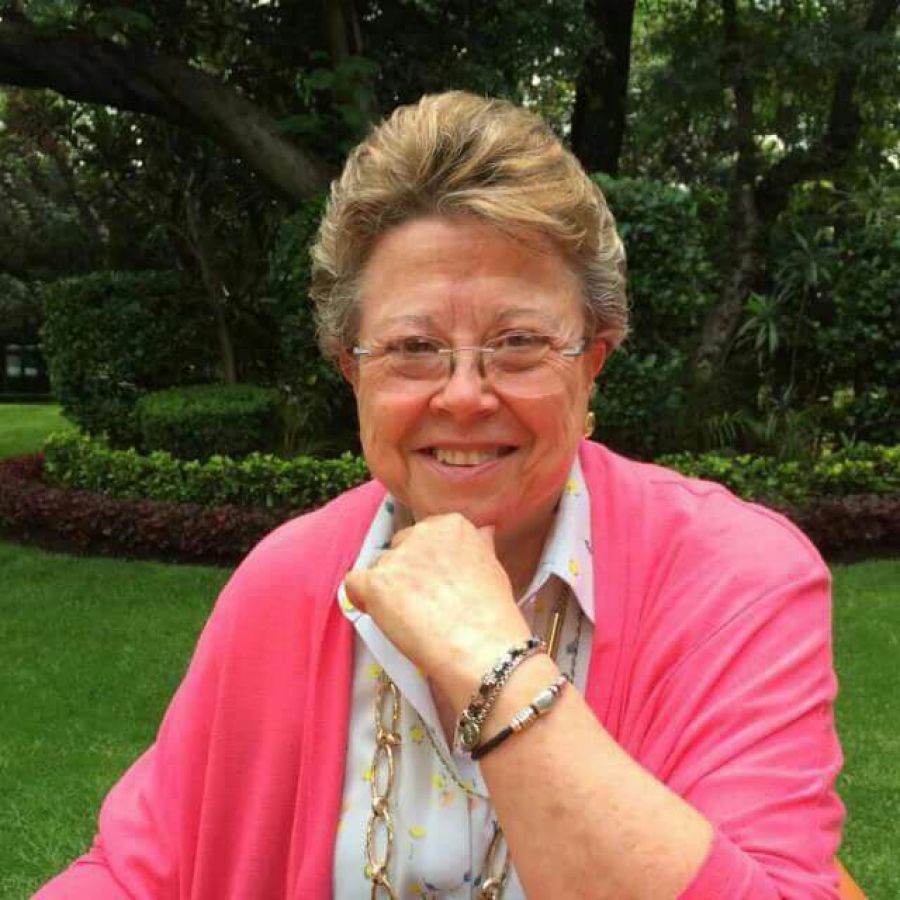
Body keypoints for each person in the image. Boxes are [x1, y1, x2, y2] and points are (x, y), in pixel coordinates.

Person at [36, 91, 844, 899]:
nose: (462, 396)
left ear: (592, 362)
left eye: (518, 342)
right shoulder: (286, 581)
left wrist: (490, 660)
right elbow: (135, 871)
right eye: (413, 347)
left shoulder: (733, 580)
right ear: (353, 371)